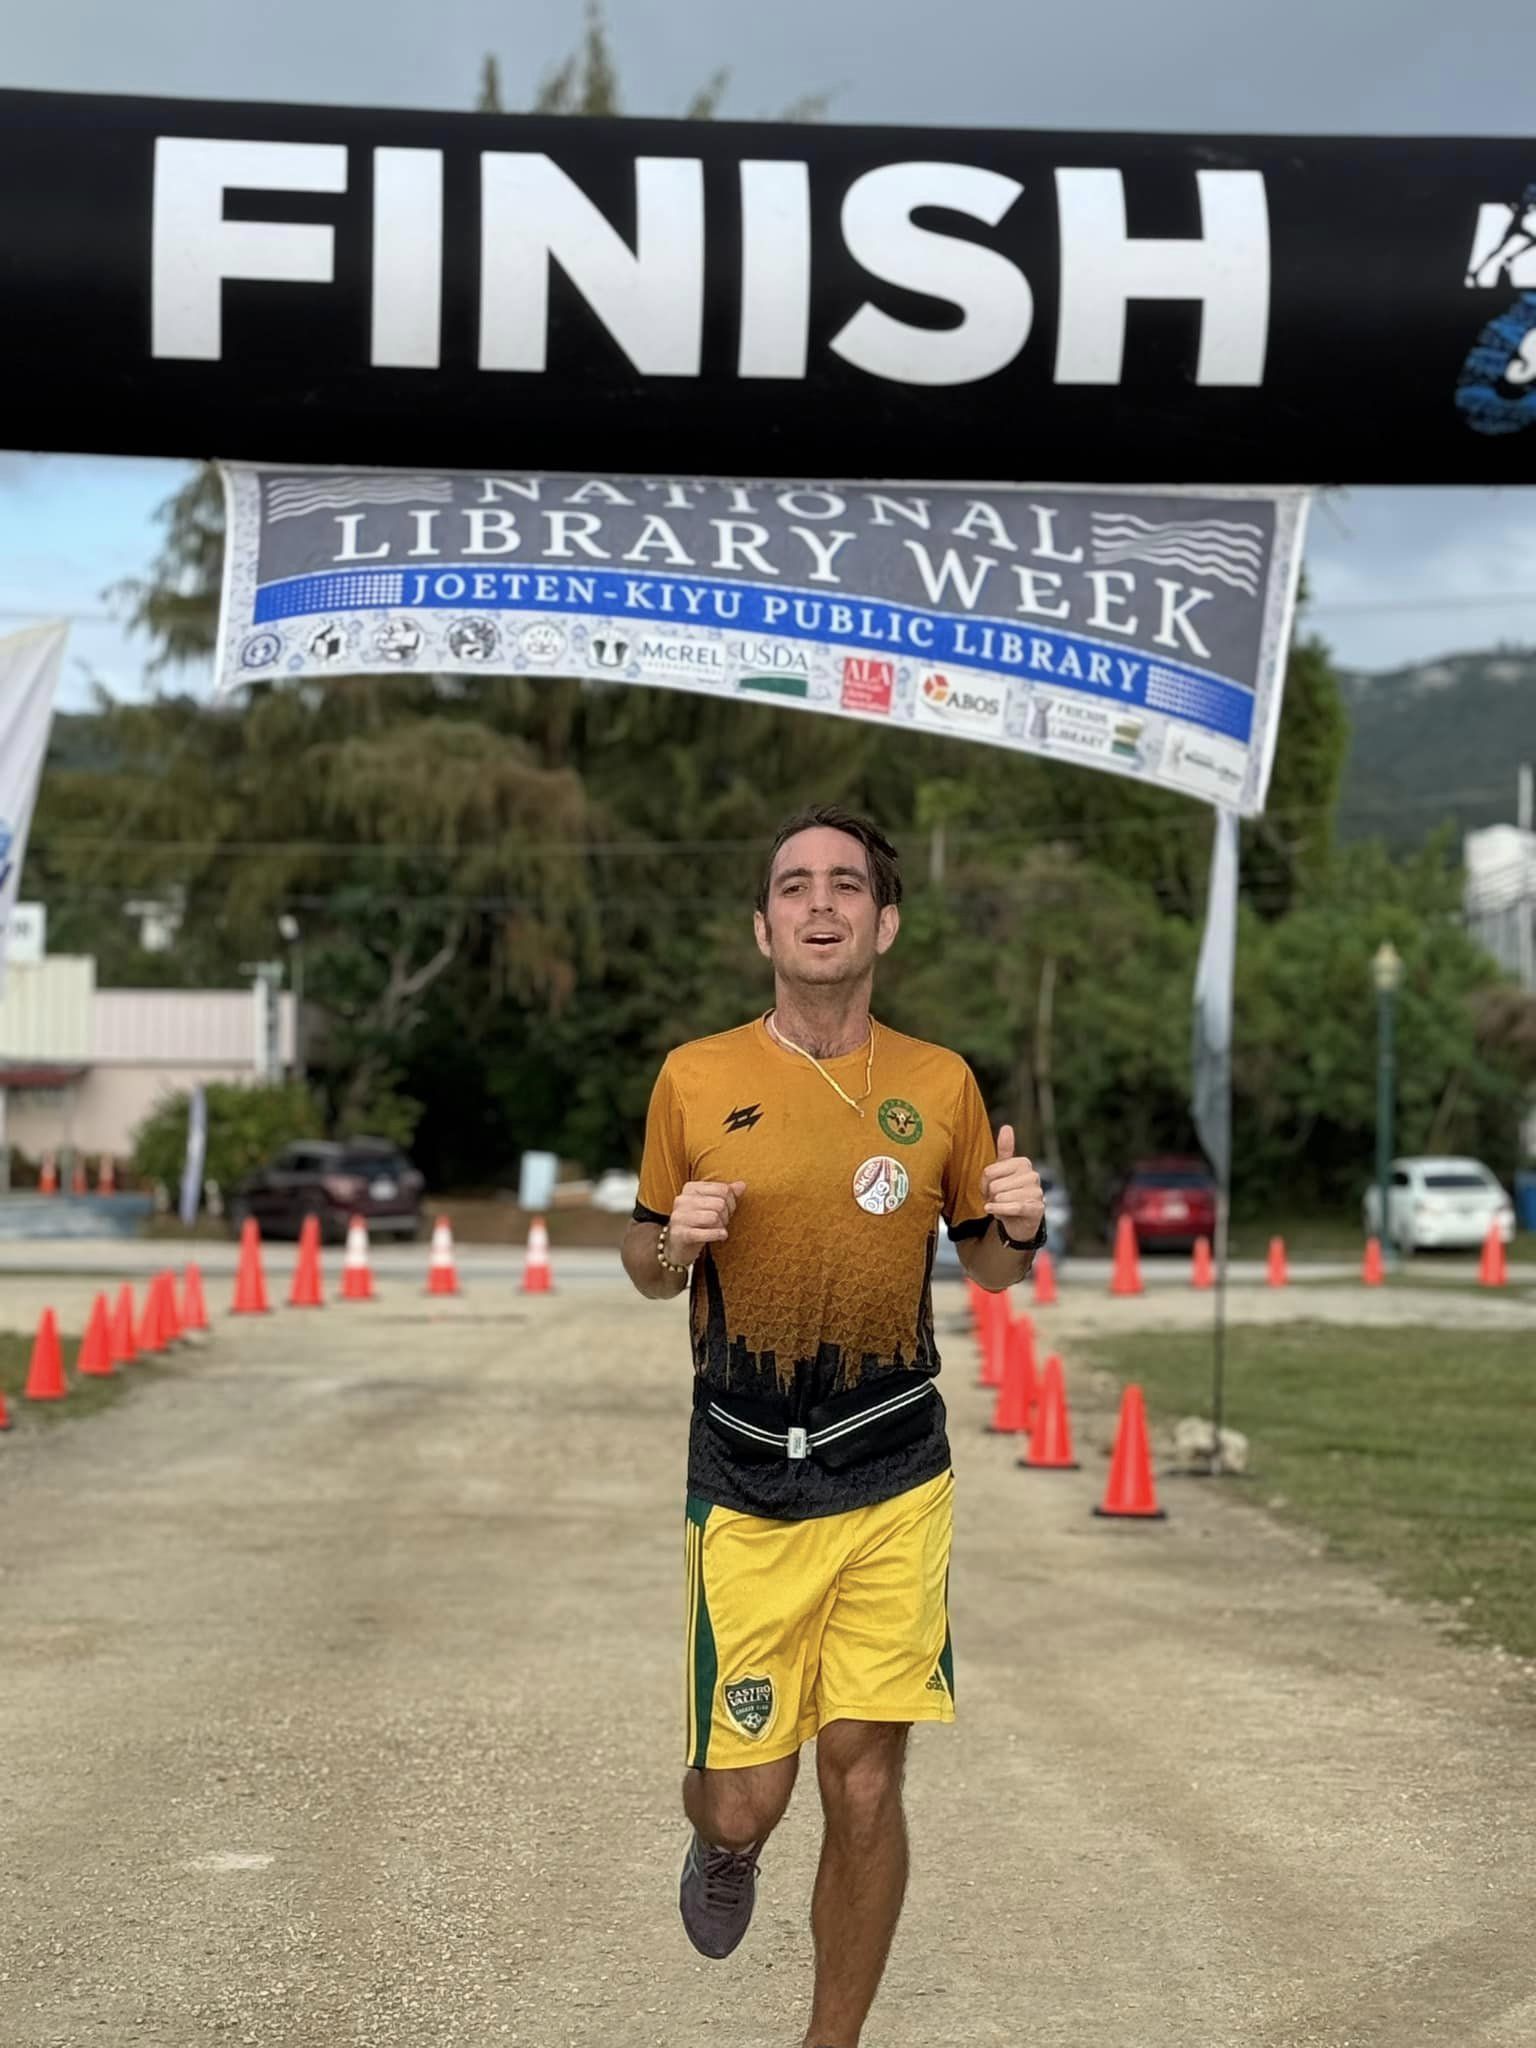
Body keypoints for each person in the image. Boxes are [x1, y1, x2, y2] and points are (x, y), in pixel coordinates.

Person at [620, 804, 1046, 2048]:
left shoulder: (940, 1082)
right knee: (750, 1798)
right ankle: (720, 1841)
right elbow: (644, 1258)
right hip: (746, 1481)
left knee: (866, 1776)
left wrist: (1017, 1219)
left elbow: (995, 1270)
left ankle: (831, 2039)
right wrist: (672, 1239)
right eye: (795, 885)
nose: (821, 903)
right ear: (762, 925)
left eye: (847, 885)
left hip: (894, 1468)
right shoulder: (696, 1075)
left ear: (885, 921)